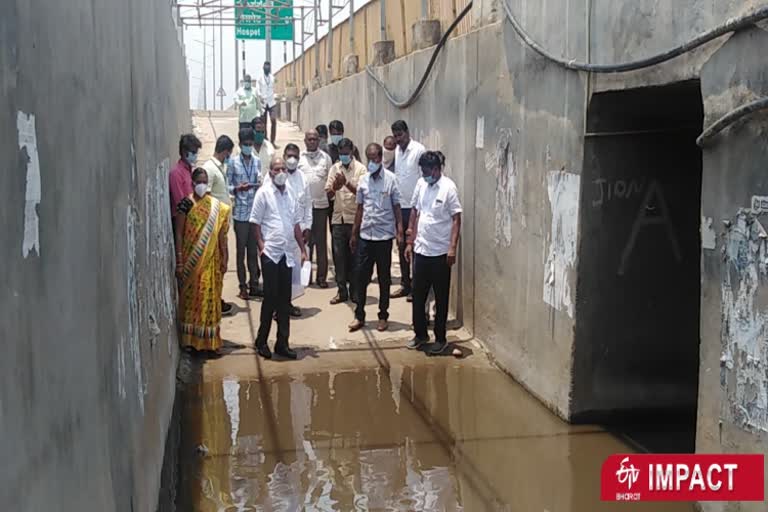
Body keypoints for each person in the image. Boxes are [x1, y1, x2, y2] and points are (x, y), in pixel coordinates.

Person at [249, 157, 309, 360]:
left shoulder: (290, 193)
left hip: (287, 254)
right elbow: (255, 224)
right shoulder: (263, 193)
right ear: (270, 172)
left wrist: (302, 249)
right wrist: (262, 247)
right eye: (277, 169)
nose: (282, 171)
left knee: (285, 300)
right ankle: (261, 341)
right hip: (271, 254)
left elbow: (296, 225)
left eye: (284, 168)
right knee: (270, 298)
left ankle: (282, 343)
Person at [405, 151, 462, 355]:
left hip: (440, 253)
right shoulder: (421, 184)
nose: (424, 174)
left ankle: (440, 338)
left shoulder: (448, 188)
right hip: (421, 250)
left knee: (441, 296)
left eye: (427, 171)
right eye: (422, 171)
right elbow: (414, 210)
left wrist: (452, 247)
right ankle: (420, 334)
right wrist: (410, 240)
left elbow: (456, 219)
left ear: (437, 169)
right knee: (418, 296)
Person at [174, 168, 231, 358]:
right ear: (192, 183)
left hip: (211, 261)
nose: (202, 184)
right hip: (192, 263)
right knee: (192, 299)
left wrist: (225, 256)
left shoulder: (217, 207)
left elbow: (222, 236)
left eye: (205, 181)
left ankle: (210, 342)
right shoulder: (185, 205)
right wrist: (180, 261)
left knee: (210, 299)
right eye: (199, 181)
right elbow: (180, 234)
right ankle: (191, 342)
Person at [349, 143, 403, 332]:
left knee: (384, 278)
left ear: (381, 158)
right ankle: (360, 315)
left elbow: (397, 206)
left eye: (375, 158)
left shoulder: (391, 180)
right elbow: (360, 208)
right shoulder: (363, 180)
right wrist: (354, 233)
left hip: (384, 237)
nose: (372, 162)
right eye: (369, 158)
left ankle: (383, 315)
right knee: (361, 277)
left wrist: (400, 231)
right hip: (365, 235)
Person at [325, 138, 366, 304]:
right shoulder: (335, 168)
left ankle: (356, 291)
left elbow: (362, 194)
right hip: (338, 219)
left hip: (355, 220)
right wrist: (335, 186)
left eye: (346, 154)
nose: (343, 156)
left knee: (356, 258)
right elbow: (328, 193)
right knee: (339, 257)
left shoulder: (361, 169)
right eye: (341, 154)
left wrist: (346, 183)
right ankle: (342, 291)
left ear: (352, 151)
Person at [391, 120, 426, 302]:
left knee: (414, 248)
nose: (398, 139)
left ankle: (415, 287)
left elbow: (423, 179)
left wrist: (418, 208)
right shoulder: (397, 150)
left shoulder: (418, 150)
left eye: (400, 135)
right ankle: (405, 283)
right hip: (400, 206)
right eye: (395, 136)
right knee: (401, 244)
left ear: (407, 132)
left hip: (414, 209)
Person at [227, 128, 263, 300]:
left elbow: (260, 180)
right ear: (240, 144)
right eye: (245, 144)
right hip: (240, 214)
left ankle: (254, 284)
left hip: (254, 213)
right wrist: (237, 188)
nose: (248, 147)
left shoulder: (257, 161)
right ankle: (242, 286)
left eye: (250, 144)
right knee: (241, 251)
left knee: (253, 251)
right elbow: (227, 187)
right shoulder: (233, 163)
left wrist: (257, 184)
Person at [203, 135, 236, 317]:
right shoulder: (209, 169)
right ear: (224, 151)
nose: (229, 156)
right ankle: (214, 298)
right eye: (228, 153)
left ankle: (217, 296)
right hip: (214, 226)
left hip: (222, 225)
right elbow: (205, 198)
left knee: (222, 263)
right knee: (217, 263)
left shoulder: (220, 167)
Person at [299, 129, 333, 288]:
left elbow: (330, 179)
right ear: (305, 141)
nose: (312, 141)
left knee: (321, 242)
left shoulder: (326, 158)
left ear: (318, 141)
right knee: (306, 242)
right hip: (304, 208)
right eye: (309, 139)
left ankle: (321, 277)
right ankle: (306, 277)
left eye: (315, 139)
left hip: (321, 206)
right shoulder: (299, 158)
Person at [282, 143, 313, 317]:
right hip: (281, 233)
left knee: (295, 272)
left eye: (295, 156)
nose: (292, 159)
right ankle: (279, 305)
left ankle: (289, 303)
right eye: (289, 155)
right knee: (280, 272)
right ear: (284, 156)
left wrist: (308, 226)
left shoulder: (303, 178)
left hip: (299, 233)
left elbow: (308, 204)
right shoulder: (276, 176)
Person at [170, 134, 202, 231]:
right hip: (182, 222)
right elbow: (180, 203)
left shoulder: (189, 170)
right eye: (193, 152)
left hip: (192, 220)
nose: (195, 155)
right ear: (184, 152)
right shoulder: (176, 173)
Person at [250, 117, 276, 183]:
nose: (260, 134)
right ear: (252, 131)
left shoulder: (270, 148)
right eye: (258, 132)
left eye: (262, 132)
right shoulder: (245, 148)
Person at [257, 61, 278, 145]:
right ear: (263, 68)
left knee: (273, 120)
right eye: (266, 68)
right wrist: (260, 96)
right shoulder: (260, 78)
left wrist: (276, 95)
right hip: (263, 101)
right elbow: (258, 89)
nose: (267, 69)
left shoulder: (272, 78)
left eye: (268, 68)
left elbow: (274, 88)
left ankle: (272, 141)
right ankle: (265, 140)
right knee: (263, 122)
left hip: (272, 101)